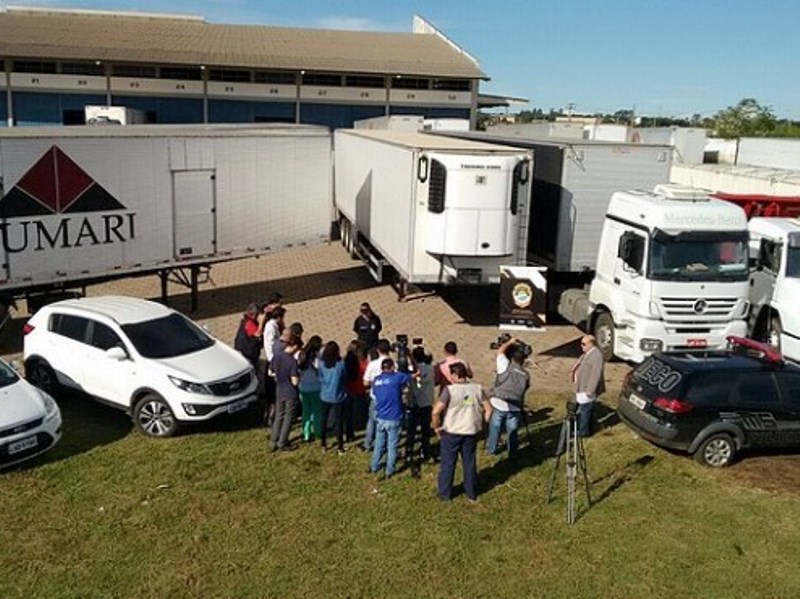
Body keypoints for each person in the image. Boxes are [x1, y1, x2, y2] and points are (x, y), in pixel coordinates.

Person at [432, 362, 491, 502]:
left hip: (452, 431)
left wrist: (437, 427)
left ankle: (444, 493)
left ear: (454, 375)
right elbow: (489, 409)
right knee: (469, 462)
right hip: (471, 431)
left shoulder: (450, 390)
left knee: (448, 463)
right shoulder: (478, 389)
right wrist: (483, 424)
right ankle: (471, 492)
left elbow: (436, 411)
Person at [486, 337, 530, 459]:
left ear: (511, 358)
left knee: (495, 426)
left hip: (499, 402)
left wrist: (510, 342)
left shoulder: (505, 366)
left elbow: (500, 352)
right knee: (513, 430)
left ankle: (492, 448)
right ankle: (513, 452)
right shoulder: (526, 375)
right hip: (515, 406)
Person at [370, 358, 413, 479]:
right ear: (392, 368)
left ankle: (374, 465)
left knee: (379, 443)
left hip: (380, 416)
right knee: (392, 445)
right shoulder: (397, 377)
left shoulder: (376, 380)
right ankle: (389, 470)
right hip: (394, 416)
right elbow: (410, 376)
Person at [270, 335, 301, 452]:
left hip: (279, 389)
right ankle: (282, 442)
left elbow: (270, 372)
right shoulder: (292, 361)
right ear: (295, 347)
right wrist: (299, 378)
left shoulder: (277, 357)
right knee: (288, 417)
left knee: (279, 415)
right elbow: (295, 381)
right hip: (290, 392)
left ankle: (273, 441)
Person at [571, 334, 606, 438]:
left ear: (591, 343)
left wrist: (590, 390)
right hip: (581, 387)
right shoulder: (587, 353)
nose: (581, 346)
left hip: (587, 389)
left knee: (585, 411)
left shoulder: (596, 355)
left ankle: (584, 432)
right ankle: (583, 428)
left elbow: (596, 374)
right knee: (583, 410)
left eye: (583, 344)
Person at [405, 345, 434, 463]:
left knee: (411, 431)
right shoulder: (430, 368)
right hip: (426, 403)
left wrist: (408, 356)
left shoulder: (413, 370)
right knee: (425, 430)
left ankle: (409, 452)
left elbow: (416, 370)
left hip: (414, 403)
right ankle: (426, 451)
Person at [318, 340, 348, 454]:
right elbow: (345, 377)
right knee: (338, 421)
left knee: (324, 420)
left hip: (325, 395)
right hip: (338, 396)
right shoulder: (340, 364)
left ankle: (323, 444)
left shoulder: (322, 364)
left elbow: (320, 377)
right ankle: (340, 447)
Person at [362, 339, 392, 452]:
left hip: (375, 397)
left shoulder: (373, 364)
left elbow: (365, 382)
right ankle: (384, 444)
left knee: (372, 421)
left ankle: (368, 444)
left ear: (378, 350)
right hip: (389, 398)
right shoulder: (394, 364)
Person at [262, 306, 286, 426]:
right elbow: (272, 346)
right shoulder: (271, 328)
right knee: (273, 392)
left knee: (271, 392)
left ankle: (269, 416)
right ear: (279, 317)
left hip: (272, 360)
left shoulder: (272, 326)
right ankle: (271, 417)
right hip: (273, 361)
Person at [297, 335, 323, 442]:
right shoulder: (317, 357)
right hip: (315, 387)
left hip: (303, 387)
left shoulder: (301, 354)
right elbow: (320, 370)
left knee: (306, 411)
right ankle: (318, 432)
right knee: (317, 412)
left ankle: (306, 433)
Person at [344, 340, 368, 442]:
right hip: (360, 390)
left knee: (349, 414)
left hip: (349, 390)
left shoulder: (345, 361)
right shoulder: (363, 363)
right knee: (361, 412)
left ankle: (350, 434)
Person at [233, 302, 265, 372]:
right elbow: (257, 334)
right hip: (247, 351)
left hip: (245, 348)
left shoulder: (246, 320)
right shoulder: (249, 323)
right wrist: (261, 322)